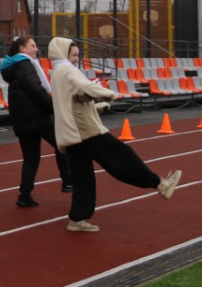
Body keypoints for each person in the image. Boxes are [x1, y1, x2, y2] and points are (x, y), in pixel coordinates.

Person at [48, 37, 181, 232]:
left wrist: (95, 106)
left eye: (77, 55)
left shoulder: (55, 72)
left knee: (83, 176)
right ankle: (160, 184)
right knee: (120, 156)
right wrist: (108, 93)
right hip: (84, 129)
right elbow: (84, 87)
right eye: (74, 55)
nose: (76, 59)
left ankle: (77, 218)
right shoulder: (67, 70)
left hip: (71, 132)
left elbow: (73, 99)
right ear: (63, 53)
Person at [0, 36, 73, 208]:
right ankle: (68, 180)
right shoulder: (25, 64)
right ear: (22, 49)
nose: (36, 49)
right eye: (32, 46)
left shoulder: (12, 67)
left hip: (22, 121)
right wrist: (54, 107)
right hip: (37, 117)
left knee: (31, 158)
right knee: (63, 144)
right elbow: (35, 89)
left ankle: (24, 194)